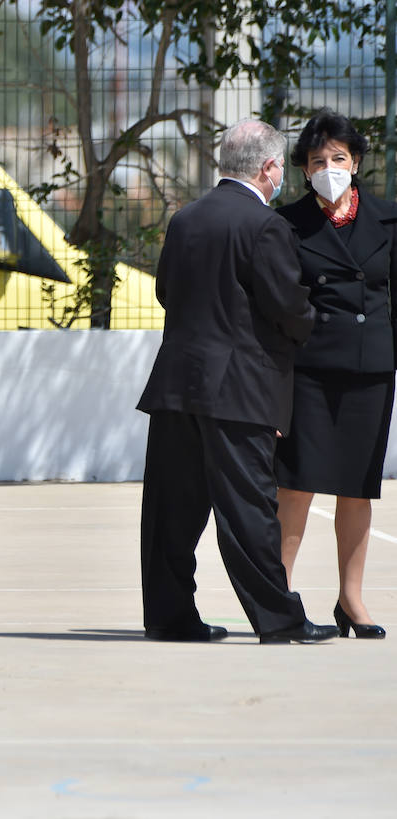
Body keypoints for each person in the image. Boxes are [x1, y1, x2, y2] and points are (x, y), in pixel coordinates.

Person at [137, 118, 336, 644]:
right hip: (240, 386)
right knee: (248, 507)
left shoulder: (186, 218)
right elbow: (287, 307)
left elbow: (165, 292)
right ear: (270, 167)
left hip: (178, 382)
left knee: (171, 510)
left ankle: (168, 615)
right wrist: (309, 324)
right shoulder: (264, 225)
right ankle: (279, 618)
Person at [274, 108, 396, 640]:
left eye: (339, 158)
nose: (329, 167)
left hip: (371, 368)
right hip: (309, 370)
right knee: (296, 486)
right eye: (318, 160)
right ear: (304, 169)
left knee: (357, 487)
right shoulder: (286, 223)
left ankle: (351, 599)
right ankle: (277, 597)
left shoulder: (388, 220)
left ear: (358, 162)